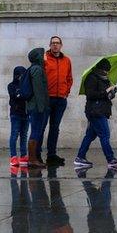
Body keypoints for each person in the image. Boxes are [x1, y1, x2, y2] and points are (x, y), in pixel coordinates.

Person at [75, 58, 117, 169]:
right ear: (100, 69)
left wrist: (112, 92)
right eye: (105, 70)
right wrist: (106, 91)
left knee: (90, 135)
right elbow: (91, 95)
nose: (107, 73)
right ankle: (110, 159)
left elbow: (106, 97)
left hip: (101, 110)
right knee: (105, 135)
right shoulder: (91, 78)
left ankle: (80, 157)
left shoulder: (105, 79)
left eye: (108, 71)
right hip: (95, 111)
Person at [43, 36, 73, 166]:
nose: (55, 45)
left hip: (60, 99)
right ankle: (36, 155)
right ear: (49, 45)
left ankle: (51, 155)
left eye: (57, 43)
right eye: (53, 43)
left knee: (55, 128)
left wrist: (66, 92)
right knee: (41, 127)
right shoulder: (44, 59)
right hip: (47, 99)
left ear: (61, 45)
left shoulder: (67, 60)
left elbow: (69, 78)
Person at [25, 48, 50, 168]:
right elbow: (38, 90)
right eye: (43, 54)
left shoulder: (38, 68)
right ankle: (32, 159)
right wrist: (42, 108)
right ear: (38, 56)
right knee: (35, 132)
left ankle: (33, 159)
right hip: (37, 107)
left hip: (37, 106)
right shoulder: (37, 69)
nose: (45, 56)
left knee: (37, 132)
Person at [7, 66, 30, 167]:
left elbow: (26, 95)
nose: (21, 77)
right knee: (14, 135)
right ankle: (13, 157)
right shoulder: (11, 85)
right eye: (20, 75)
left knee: (24, 135)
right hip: (16, 114)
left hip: (25, 113)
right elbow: (15, 95)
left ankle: (23, 155)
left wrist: (21, 94)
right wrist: (21, 94)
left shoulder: (27, 86)